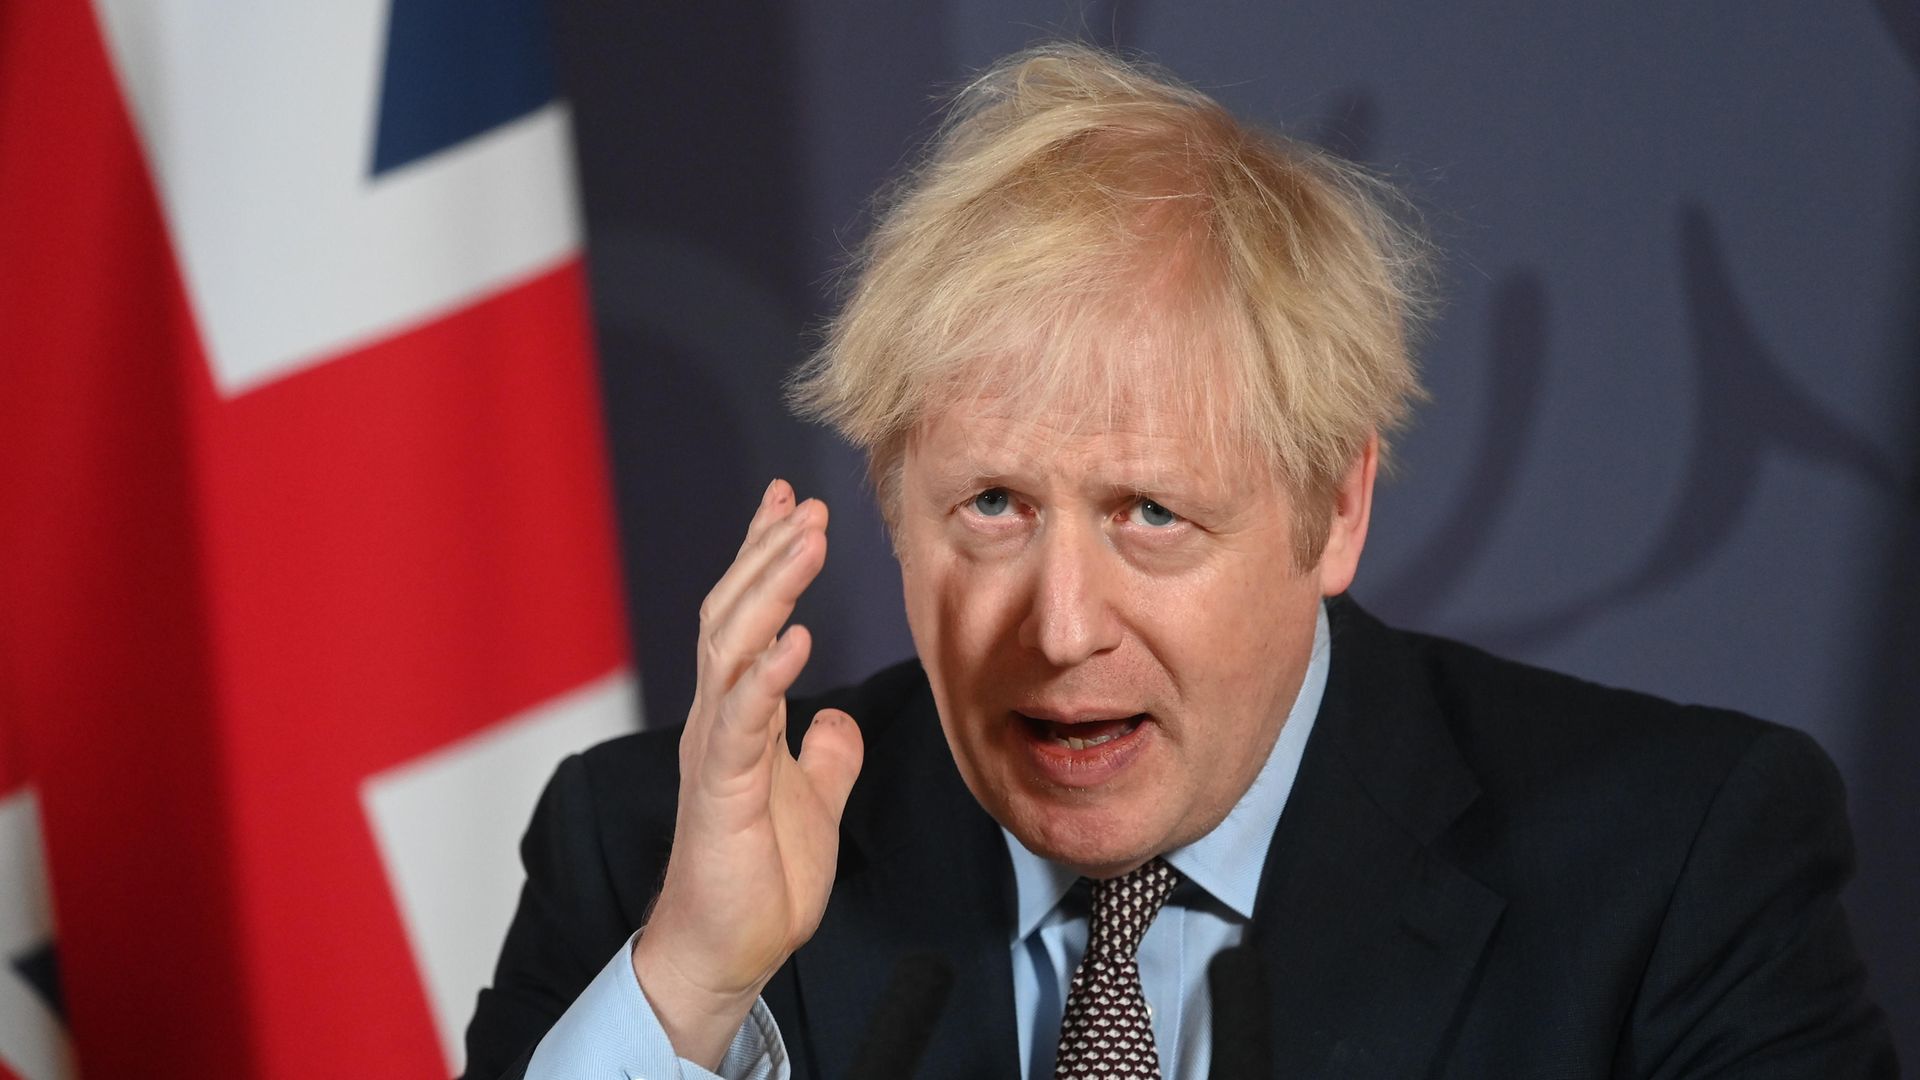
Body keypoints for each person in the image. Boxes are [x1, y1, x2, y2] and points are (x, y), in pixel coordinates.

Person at [460, 44, 1895, 1079]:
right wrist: (693, 992)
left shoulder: (1676, 869)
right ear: (890, 503)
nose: (1061, 627)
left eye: (1150, 513)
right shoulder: (650, 857)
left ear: (1336, 513)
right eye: (994, 509)